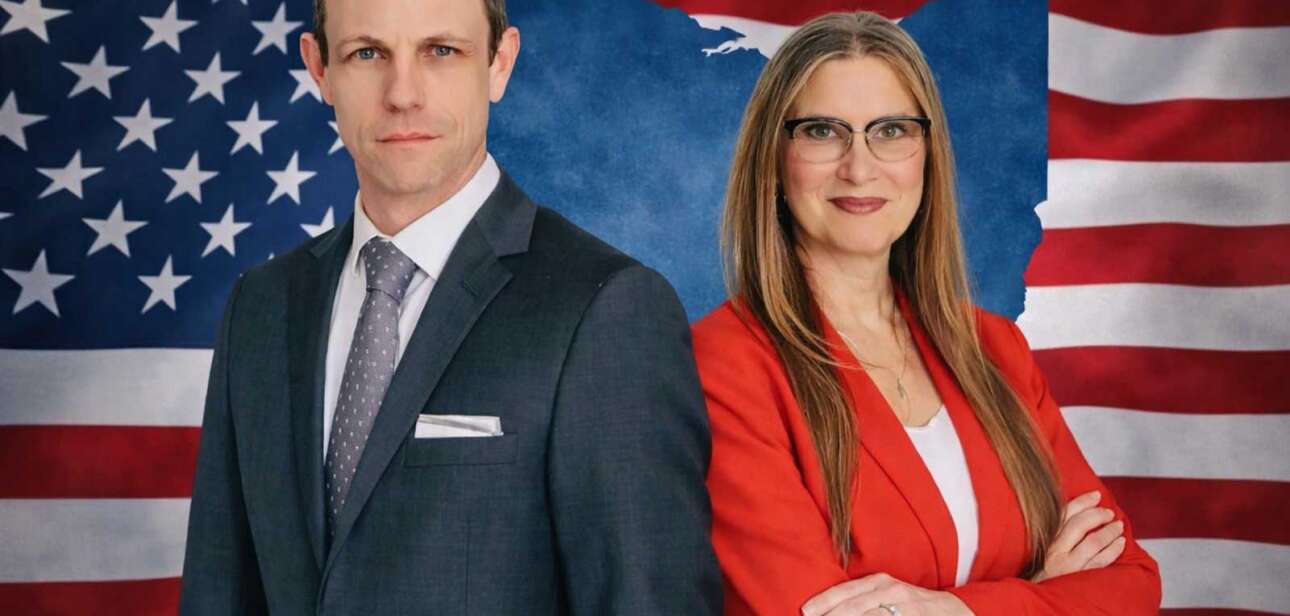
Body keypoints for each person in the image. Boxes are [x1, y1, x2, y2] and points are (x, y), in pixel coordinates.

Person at [179, 0, 721, 613]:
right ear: (320, 70)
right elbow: (219, 592)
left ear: (500, 63)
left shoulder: (606, 307)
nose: (402, 94)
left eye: (441, 51)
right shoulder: (262, 306)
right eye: (367, 53)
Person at [691, 11, 1161, 616]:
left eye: (890, 131)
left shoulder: (993, 349)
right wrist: (1043, 592)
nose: (859, 167)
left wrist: (954, 610)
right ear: (774, 159)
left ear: (926, 154)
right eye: (822, 131)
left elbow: (1132, 582)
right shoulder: (723, 367)